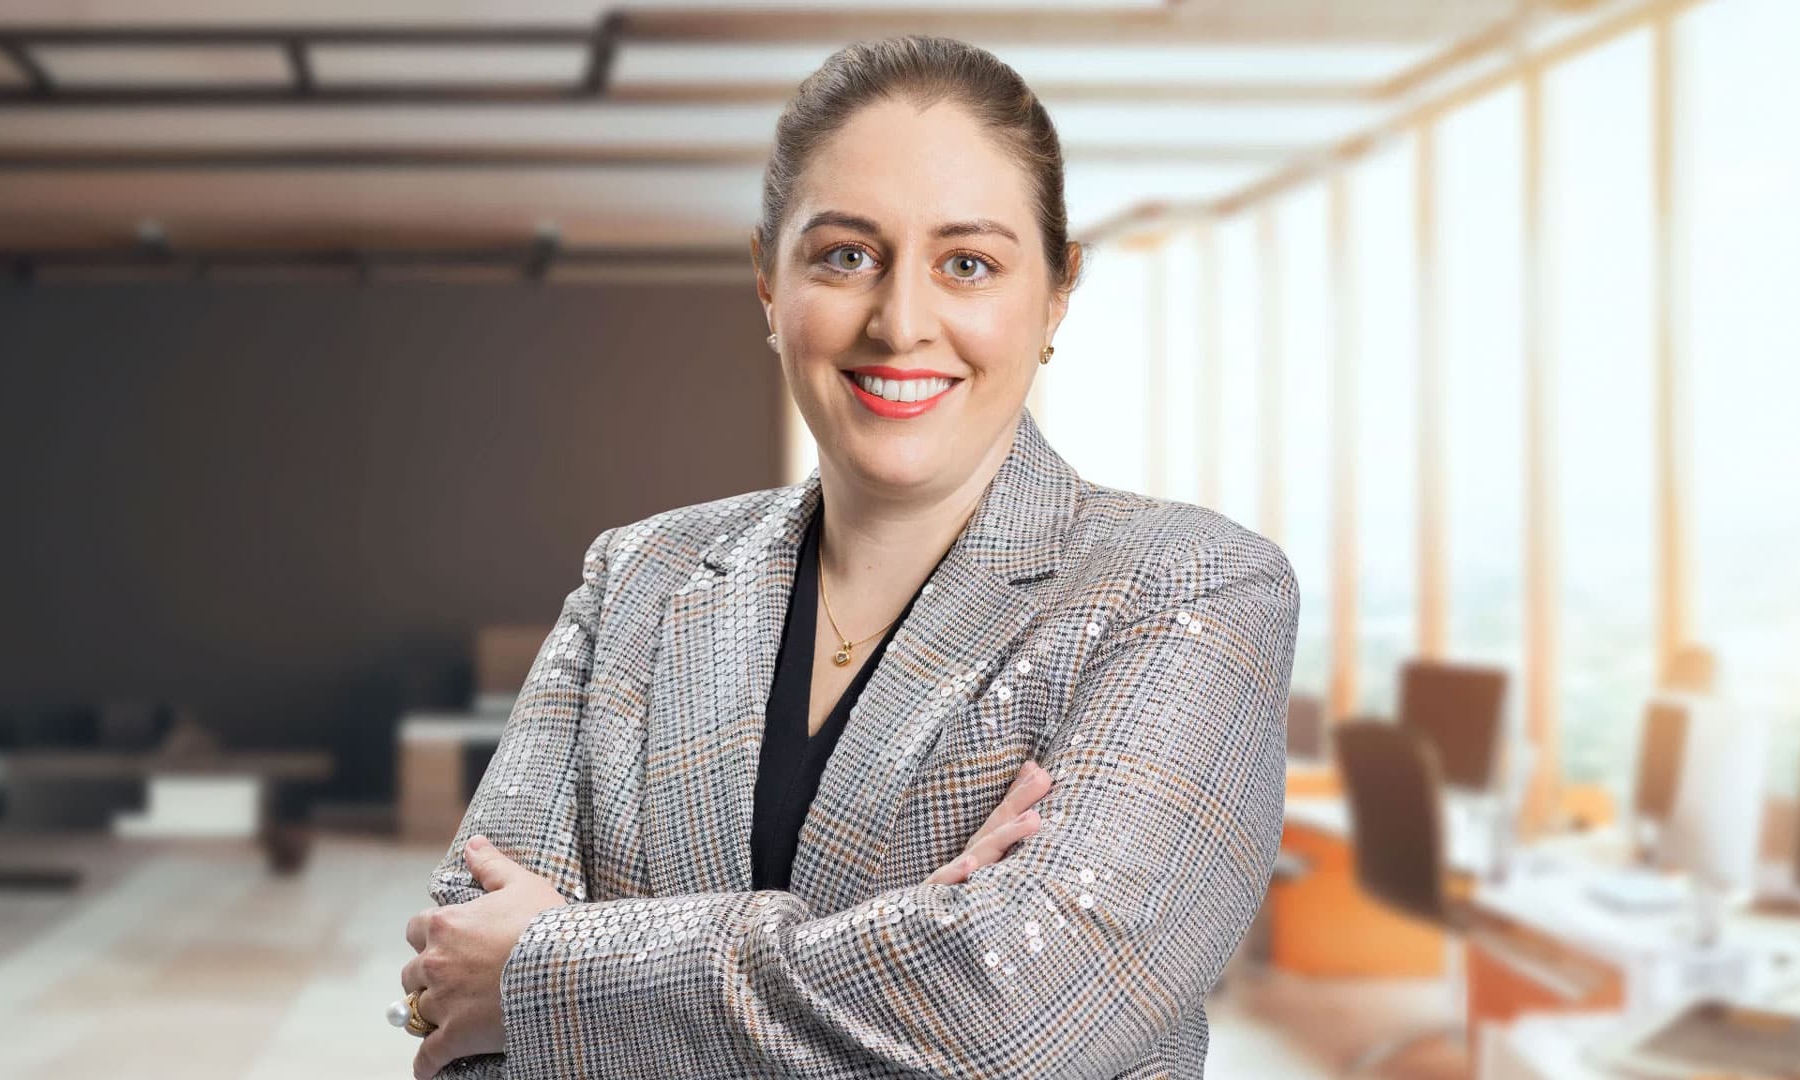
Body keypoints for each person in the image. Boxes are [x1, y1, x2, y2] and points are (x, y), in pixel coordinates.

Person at [394, 35, 1299, 1080]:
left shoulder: (1190, 587)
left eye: (968, 263)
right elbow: (456, 984)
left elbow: (1011, 1020)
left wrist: (551, 975)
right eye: (845, 256)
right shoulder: (637, 576)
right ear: (769, 287)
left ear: (1055, 295)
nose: (901, 320)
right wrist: (908, 940)